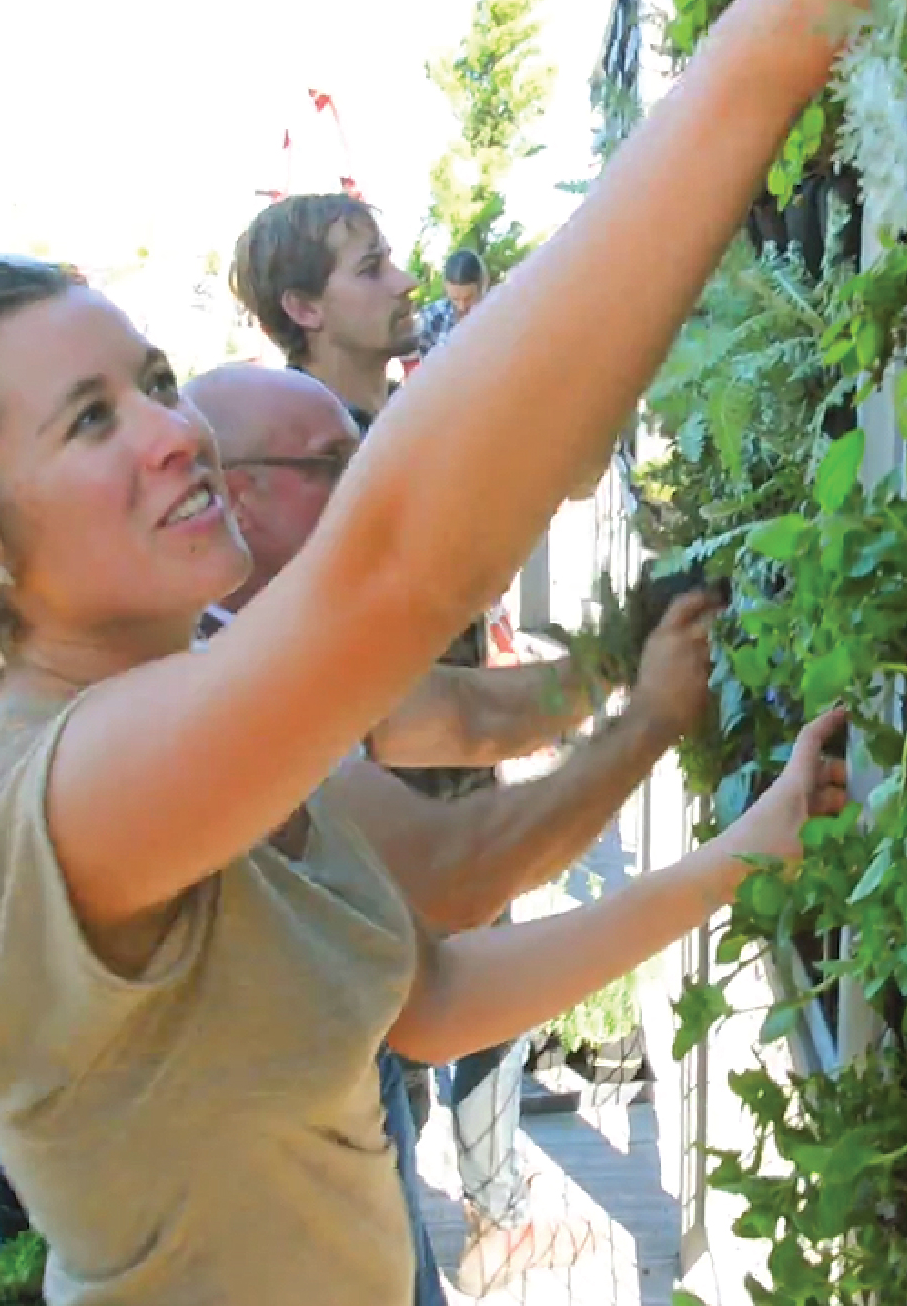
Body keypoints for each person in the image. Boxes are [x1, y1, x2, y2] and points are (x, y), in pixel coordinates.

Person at [0, 0, 869, 1299]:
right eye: (89, 420)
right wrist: (786, 22)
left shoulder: (210, 740)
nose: (173, 436)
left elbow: (439, 996)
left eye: (153, 383)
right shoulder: (55, 800)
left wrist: (739, 856)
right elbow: (400, 567)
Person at [189, 362, 670, 1295]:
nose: (365, 482)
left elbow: (465, 716)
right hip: (269, 1213)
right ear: (235, 495)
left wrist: (620, 657)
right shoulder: (218, 676)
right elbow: (457, 877)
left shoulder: (270, 639)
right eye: (335, 462)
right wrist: (653, 721)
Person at [413, 248, 490, 368]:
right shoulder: (431, 318)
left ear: (482, 287)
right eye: (455, 299)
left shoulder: (498, 316)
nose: (462, 306)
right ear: (445, 288)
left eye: (469, 298)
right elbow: (427, 369)